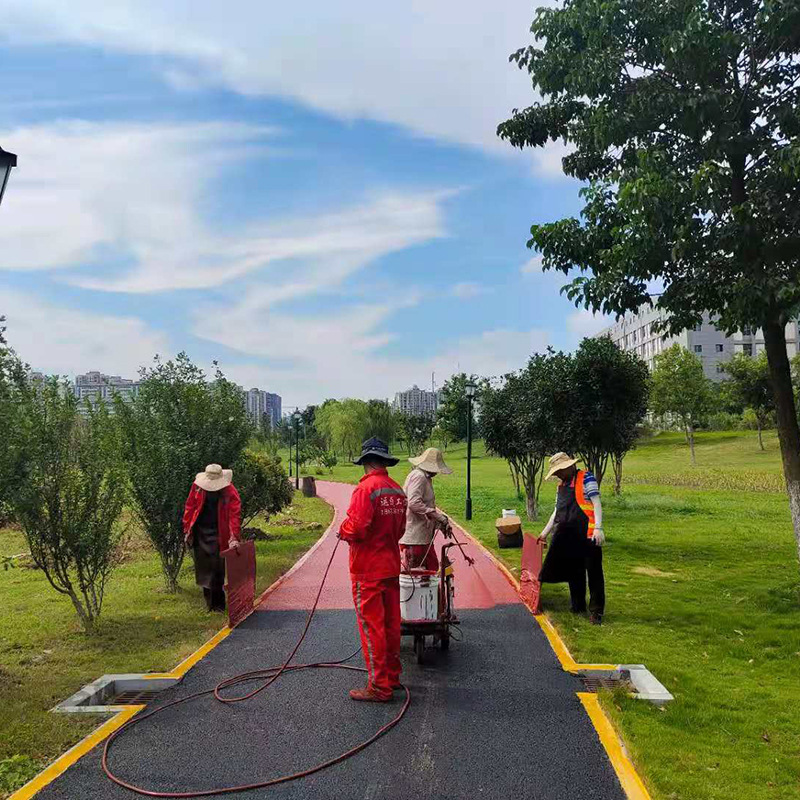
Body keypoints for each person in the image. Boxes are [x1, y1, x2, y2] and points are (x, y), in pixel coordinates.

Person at [338, 437, 407, 702]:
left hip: (367, 569)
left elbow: (356, 528)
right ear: (385, 461)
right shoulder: (396, 490)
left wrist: (342, 530)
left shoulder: (366, 489)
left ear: (366, 462)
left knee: (371, 627)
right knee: (390, 624)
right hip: (390, 565)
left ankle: (379, 687)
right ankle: (392, 676)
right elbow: (400, 530)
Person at [537, 452, 606, 624]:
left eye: (560, 471)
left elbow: (596, 503)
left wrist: (598, 528)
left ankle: (596, 612)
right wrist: (544, 533)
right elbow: (557, 511)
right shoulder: (561, 486)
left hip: (589, 534)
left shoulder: (586, 478)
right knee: (574, 571)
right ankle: (577, 606)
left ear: (570, 466)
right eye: (556, 472)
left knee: (594, 572)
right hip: (570, 535)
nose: (558, 475)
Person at [183, 464, 242, 612]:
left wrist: (234, 536)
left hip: (219, 532)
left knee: (217, 569)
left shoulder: (229, 490)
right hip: (201, 531)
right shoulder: (197, 487)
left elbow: (234, 513)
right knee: (203, 569)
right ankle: (209, 604)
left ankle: (219, 605)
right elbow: (190, 506)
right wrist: (187, 529)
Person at [400, 447, 453, 572]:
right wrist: (437, 516)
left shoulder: (425, 477)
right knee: (418, 577)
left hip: (423, 537)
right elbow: (414, 503)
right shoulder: (419, 477)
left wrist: (440, 523)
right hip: (414, 539)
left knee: (432, 569)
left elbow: (424, 506)